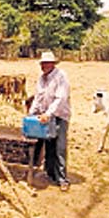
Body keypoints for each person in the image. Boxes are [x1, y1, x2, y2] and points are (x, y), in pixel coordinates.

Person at [28, 51, 71, 191]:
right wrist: (31, 114)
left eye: (47, 63)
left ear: (53, 64)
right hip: (45, 116)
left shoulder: (61, 77)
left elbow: (61, 98)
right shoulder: (42, 79)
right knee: (49, 146)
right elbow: (38, 98)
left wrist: (48, 113)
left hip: (59, 116)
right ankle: (49, 173)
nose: (44, 66)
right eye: (43, 63)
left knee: (59, 147)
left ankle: (62, 179)